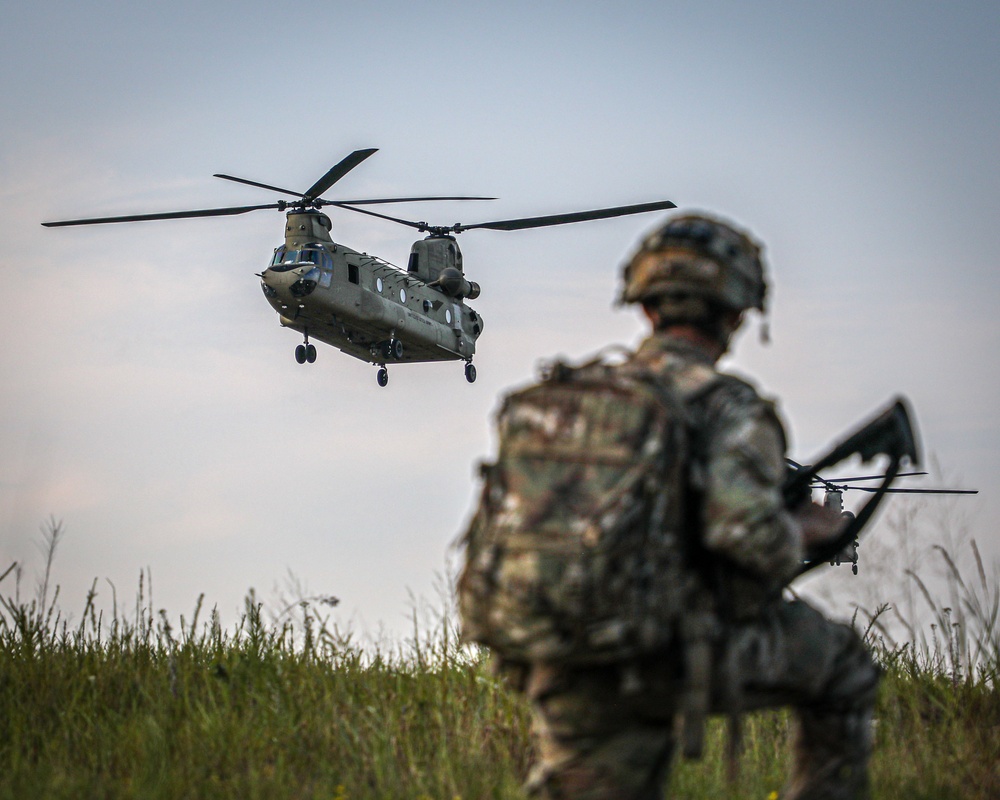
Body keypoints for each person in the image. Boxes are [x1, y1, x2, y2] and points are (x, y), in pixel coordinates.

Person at [478, 214, 879, 800]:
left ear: (645, 306)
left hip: (556, 649)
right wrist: (805, 529)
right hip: (668, 650)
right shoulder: (729, 408)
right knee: (844, 666)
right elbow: (747, 534)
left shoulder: (564, 399)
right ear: (737, 312)